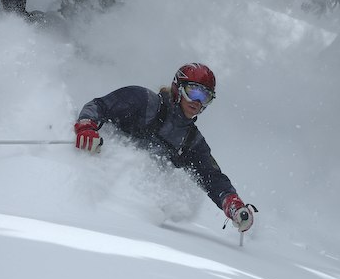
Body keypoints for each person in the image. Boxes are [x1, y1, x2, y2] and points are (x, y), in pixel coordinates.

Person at [74, 63, 255, 233]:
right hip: (88, 170)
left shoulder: (191, 141)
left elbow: (212, 178)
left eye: (205, 97)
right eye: (193, 92)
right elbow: (99, 106)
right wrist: (87, 126)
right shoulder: (143, 101)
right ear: (178, 88)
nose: (197, 101)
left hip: (133, 210)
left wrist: (233, 205)